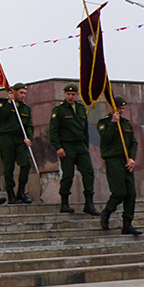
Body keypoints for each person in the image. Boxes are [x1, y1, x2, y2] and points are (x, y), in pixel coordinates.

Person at [49, 83, 97, 215]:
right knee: (68, 174)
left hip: (80, 146)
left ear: (77, 95)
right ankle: (64, 203)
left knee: (88, 172)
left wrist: (85, 146)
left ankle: (89, 203)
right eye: (68, 94)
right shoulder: (59, 110)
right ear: (64, 94)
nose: (70, 97)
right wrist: (58, 147)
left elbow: (85, 129)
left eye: (73, 94)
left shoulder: (81, 109)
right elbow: (53, 131)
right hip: (67, 146)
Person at [98, 99, 141, 236]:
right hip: (113, 159)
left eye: (123, 108)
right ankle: (107, 211)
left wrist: (132, 158)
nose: (121, 111)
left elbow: (133, 142)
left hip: (126, 160)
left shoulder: (126, 123)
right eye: (118, 108)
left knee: (131, 193)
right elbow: (106, 140)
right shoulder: (104, 122)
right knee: (119, 192)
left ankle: (127, 223)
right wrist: (112, 123)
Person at [0, 83, 36, 205]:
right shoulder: (3, 103)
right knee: (8, 167)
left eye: (24, 93)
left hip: (20, 139)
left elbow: (29, 125)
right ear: (14, 92)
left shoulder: (26, 108)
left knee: (26, 163)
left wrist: (29, 138)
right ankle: (10, 194)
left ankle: (21, 192)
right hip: (6, 138)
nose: (23, 95)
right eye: (21, 93)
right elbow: (2, 116)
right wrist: (9, 102)